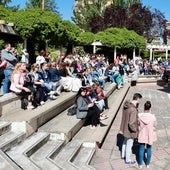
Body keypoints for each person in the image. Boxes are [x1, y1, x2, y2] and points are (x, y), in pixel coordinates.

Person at [120, 93, 142, 165]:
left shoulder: (126, 105)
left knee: (124, 142)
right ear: (138, 99)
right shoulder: (133, 110)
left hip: (124, 128)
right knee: (129, 145)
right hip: (130, 131)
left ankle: (123, 156)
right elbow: (131, 123)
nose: (140, 101)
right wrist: (135, 130)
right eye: (140, 100)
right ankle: (128, 160)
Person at [138, 101, 157, 169]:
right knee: (149, 149)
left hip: (142, 134)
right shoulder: (153, 117)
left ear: (144, 107)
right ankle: (148, 164)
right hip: (149, 135)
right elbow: (155, 126)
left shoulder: (139, 116)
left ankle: (140, 164)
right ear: (150, 108)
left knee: (141, 149)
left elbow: (138, 125)